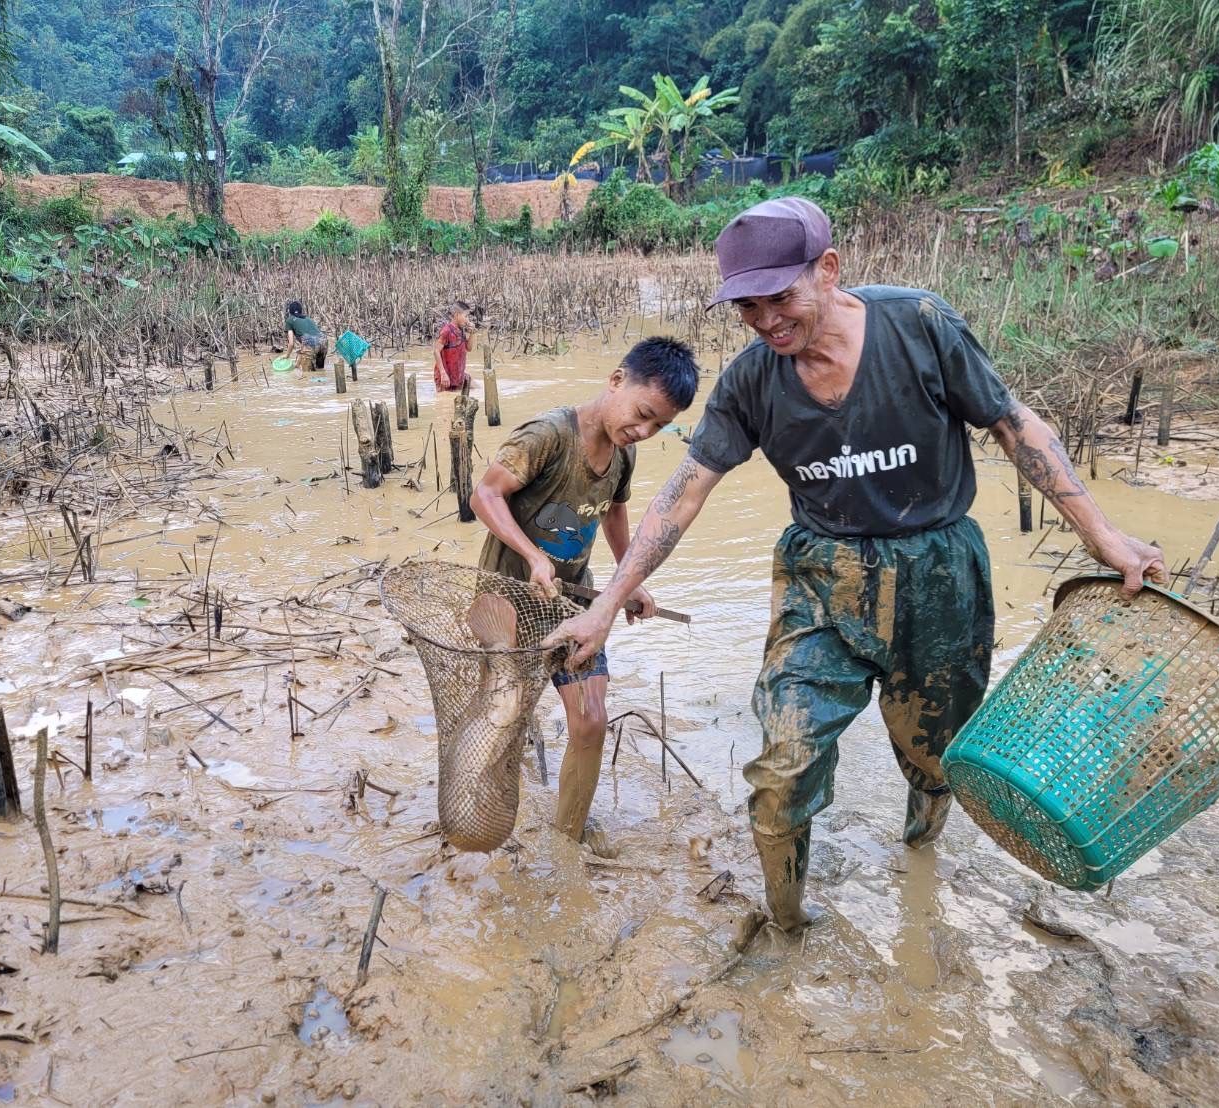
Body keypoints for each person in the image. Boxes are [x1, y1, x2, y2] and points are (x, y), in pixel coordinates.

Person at [545, 197, 1166, 930]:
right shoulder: (750, 381)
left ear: (829, 269)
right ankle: (783, 927)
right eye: (747, 306)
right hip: (820, 578)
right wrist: (607, 601)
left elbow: (1011, 422)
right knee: (782, 769)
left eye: (781, 298)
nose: (766, 320)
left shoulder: (919, 326)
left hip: (937, 574)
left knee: (936, 762)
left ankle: (919, 863)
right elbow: (682, 494)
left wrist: (1101, 535)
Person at [470, 337, 701, 846]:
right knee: (503, 714)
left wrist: (630, 582)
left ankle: (567, 840)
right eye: (642, 414)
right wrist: (532, 556)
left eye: (658, 426)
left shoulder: (624, 453)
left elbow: (615, 510)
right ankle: (486, 812)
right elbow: (484, 494)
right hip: (506, 600)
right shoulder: (549, 436)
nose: (643, 430)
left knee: (592, 720)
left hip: (575, 604)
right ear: (617, 380)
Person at [433, 301, 474, 391]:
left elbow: (469, 348)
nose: (467, 320)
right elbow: (436, 351)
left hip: (457, 375)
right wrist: (443, 373)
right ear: (456, 315)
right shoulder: (446, 331)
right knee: (445, 401)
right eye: (465, 316)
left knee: (473, 388)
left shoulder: (461, 330)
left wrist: (472, 333)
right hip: (445, 377)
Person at [284, 300, 327, 371]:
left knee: (306, 373)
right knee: (320, 370)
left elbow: (291, 344)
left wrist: (287, 356)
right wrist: (297, 364)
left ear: (290, 311)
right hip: (323, 341)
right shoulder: (308, 319)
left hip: (309, 343)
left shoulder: (289, 320)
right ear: (301, 310)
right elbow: (305, 346)